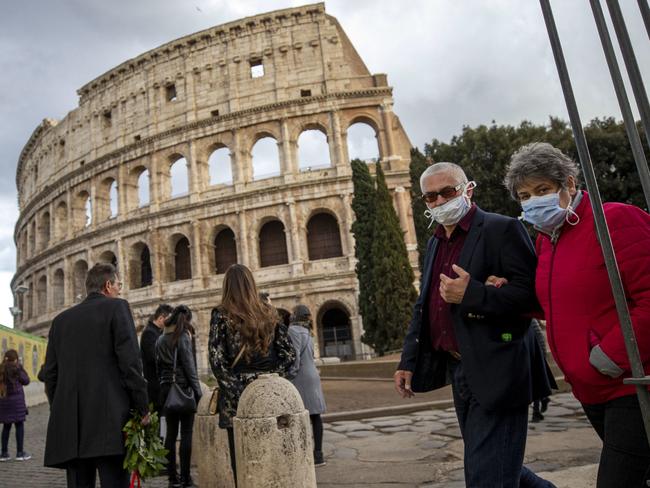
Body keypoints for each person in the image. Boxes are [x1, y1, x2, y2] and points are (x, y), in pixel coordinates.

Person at [394, 162, 556, 488]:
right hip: (460, 370)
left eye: (447, 192)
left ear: (467, 189)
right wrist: (408, 359)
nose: (439, 202)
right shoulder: (435, 243)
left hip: (500, 366)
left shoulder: (502, 229)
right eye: (430, 197)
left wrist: (475, 293)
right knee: (492, 462)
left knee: (487, 474)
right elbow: (425, 305)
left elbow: (534, 299)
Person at [504, 142, 650, 487]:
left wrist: (608, 357)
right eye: (524, 195)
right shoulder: (546, 239)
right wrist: (499, 291)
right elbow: (556, 303)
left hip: (631, 385)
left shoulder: (614, 220)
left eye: (542, 190)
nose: (532, 201)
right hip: (590, 390)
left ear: (569, 184)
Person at [42, 263, 149, 487]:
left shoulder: (60, 321)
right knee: (114, 481)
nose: (120, 289)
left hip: (71, 424)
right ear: (108, 285)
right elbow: (130, 364)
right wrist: (142, 408)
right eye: (118, 284)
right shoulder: (117, 308)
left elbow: (50, 374)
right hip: (109, 419)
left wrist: (60, 407)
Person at [208, 264, 296, 485]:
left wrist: (240, 395)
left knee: (244, 463)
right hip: (271, 397)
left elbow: (217, 361)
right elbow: (289, 355)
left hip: (236, 400)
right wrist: (272, 382)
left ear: (227, 286)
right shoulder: (269, 312)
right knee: (273, 459)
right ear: (251, 284)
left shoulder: (221, 315)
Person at [156, 305, 201, 488]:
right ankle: (186, 478)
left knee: (170, 434)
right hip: (182, 389)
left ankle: (172, 478)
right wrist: (198, 392)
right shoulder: (182, 337)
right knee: (187, 433)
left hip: (167, 390)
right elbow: (190, 369)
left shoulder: (160, 339)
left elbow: (158, 367)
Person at [286, 304, 327, 466]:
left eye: (292, 313)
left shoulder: (293, 331)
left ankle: (303, 454)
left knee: (299, 415)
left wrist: (289, 375)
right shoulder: (309, 332)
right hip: (313, 376)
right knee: (315, 416)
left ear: (295, 315)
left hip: (301, 377)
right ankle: (319, 455)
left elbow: (295, 356)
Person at [140, 304, 173, 416]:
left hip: (159, 386)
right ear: (161, 318)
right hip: (155, 387)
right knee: (160, 421)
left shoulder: (156, 332)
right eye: (169, 320)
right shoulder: (149, 333)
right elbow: (155, 357)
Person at [0, 349, 31, 461]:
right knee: (19, 426)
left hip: (4, 402)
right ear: (16, 358)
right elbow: (26, 381)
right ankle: (20, 452)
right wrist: (21, 368)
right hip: (17, 402)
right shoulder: (17, 368)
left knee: (6, 427)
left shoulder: (1, 368)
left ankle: (3, 453)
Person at [530, 319, 551, 422]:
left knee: (535, 383)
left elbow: (540, 340)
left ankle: (536, 412)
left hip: (537, 354)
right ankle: (544, 399)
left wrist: (541, 358)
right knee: (534, 384)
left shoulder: (531, 321)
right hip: (531, 353)